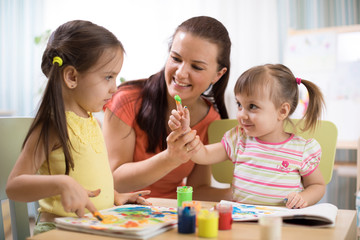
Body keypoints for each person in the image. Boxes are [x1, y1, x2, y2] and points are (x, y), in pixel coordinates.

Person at [6, 20, 151, 235]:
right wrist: (61, 183)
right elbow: (14, 187)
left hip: (94, 228)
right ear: (72, 77)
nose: (115, 87)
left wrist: (113, 196)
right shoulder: (54, 125)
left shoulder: (94, 121)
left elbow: (88, 177)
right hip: (58, 230)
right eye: (108, 77)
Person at [103, 16, 231, 201]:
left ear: (217, 75)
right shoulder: (126, 101)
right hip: (124, 213)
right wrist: (170, 158)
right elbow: (113, 181)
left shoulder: (211, 120)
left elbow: (198, 190)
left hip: (170, 215)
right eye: (176, 58)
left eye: (196, 66)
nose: (180, 73)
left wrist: (241, 193)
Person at [168, 63, 326, 209]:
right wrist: (186, 132)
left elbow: (318, 185)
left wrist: (303, 197)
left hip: (283, 224)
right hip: (243, 220)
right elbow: (204, 155)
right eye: (239, 105)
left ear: (282, 111)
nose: (241, 115)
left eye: (252, 106)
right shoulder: (238, 139)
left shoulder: (301, 149)